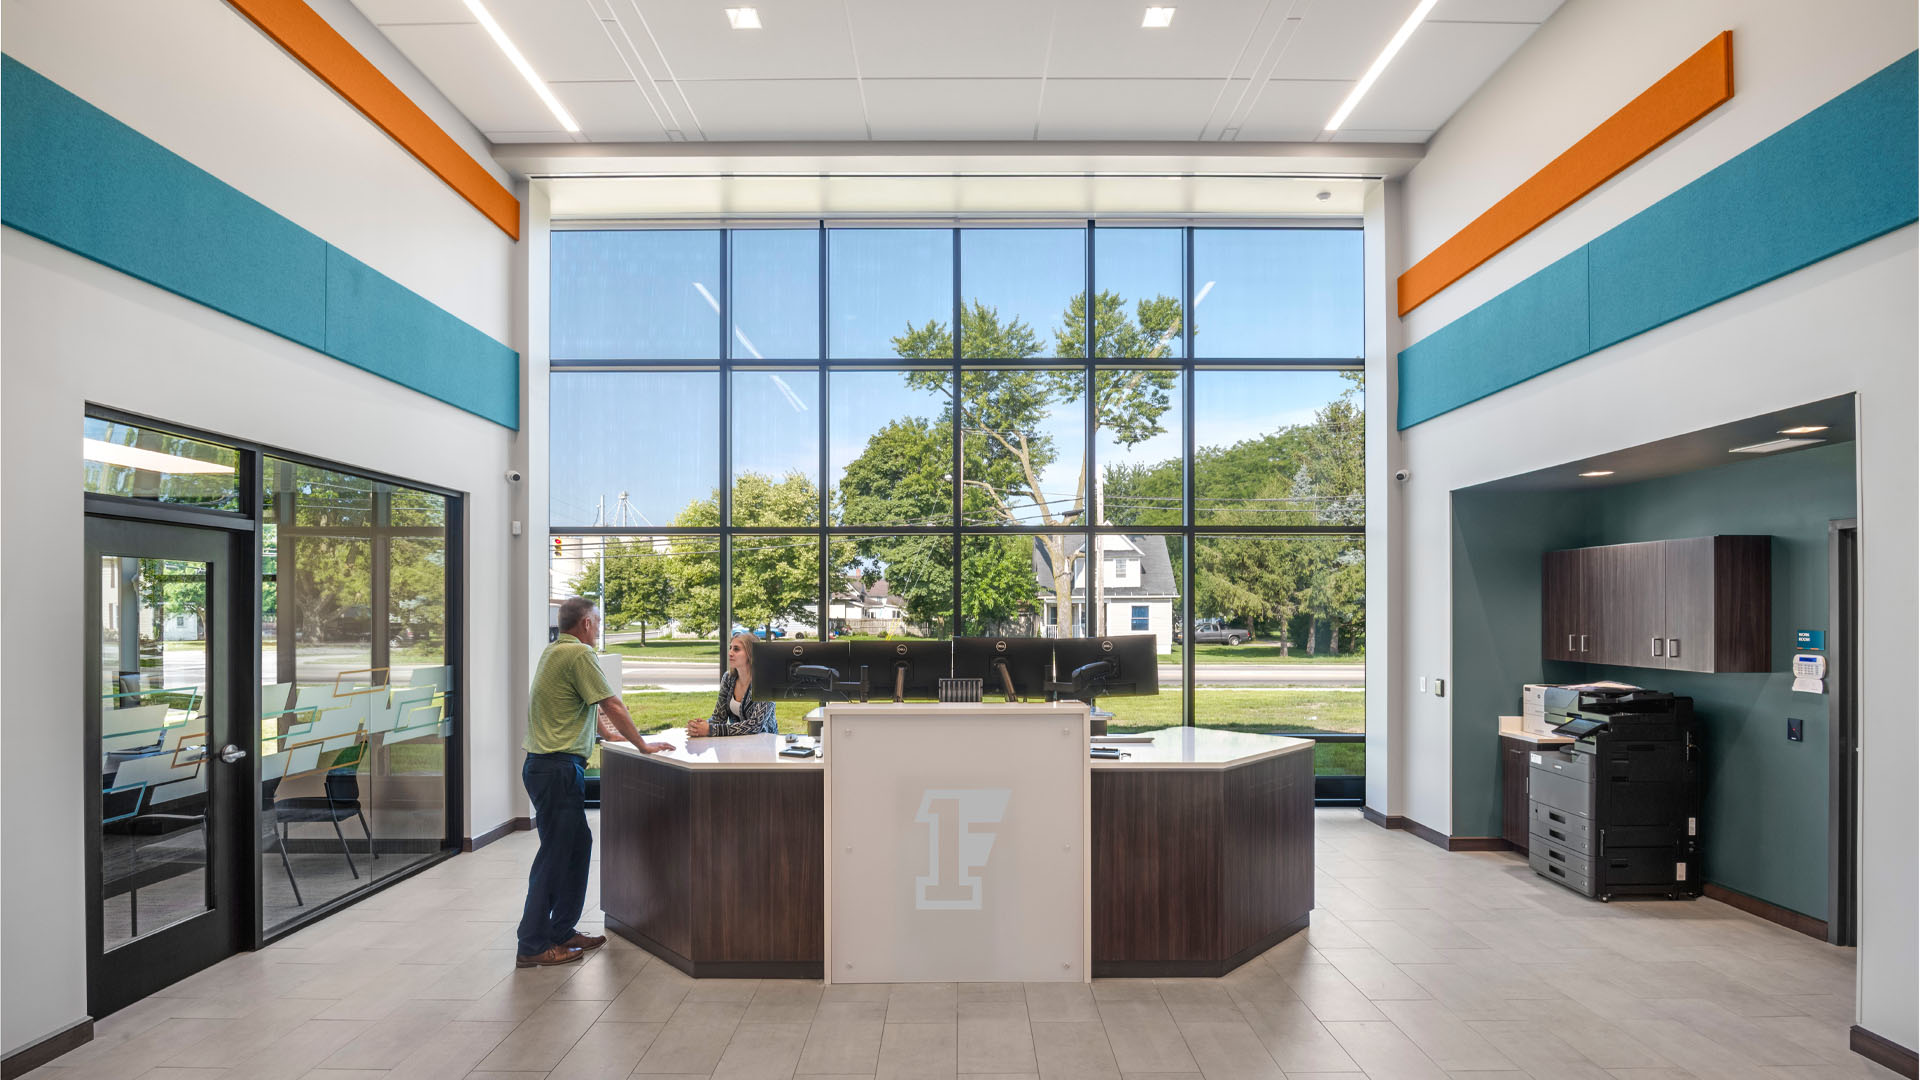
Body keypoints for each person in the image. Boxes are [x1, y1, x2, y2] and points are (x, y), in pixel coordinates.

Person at [517, 596, 672, 968]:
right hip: (556, 768)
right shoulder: (580, 655)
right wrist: (642, 745)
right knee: (555, 857)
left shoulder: (554, 652)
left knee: (576, 845)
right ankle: (532, 944)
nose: (599, 628)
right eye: (598, 622)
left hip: (545, 767)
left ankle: (561, 930)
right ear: (586, 623)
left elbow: (589, 704)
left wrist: (608, 736)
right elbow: (612, 703)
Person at [688, 632, 776, 737]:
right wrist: (699, 727)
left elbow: (755, 726)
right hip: (735, 744)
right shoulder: (728, 678)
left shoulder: (766, 681)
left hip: (764, 744)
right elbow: (719, 718)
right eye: (730, 648)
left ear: (751, 653)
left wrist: (711, 730)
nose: (730, 653)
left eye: (736, 649)